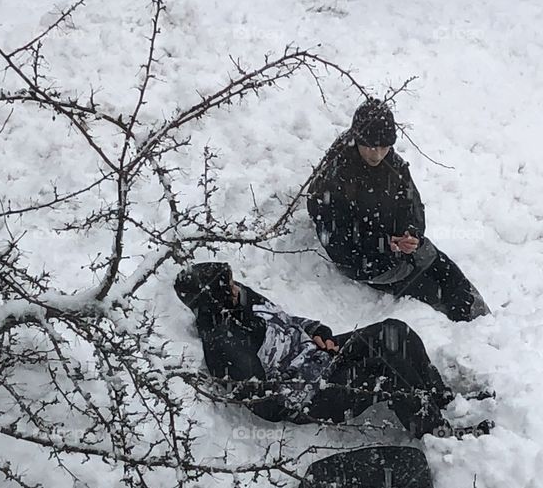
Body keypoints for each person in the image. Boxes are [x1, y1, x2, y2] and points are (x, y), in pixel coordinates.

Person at [173, 262, 493, 439]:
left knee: (394, 333)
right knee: (386, 376)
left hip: (315, 357)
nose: (235, 287)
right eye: (226, 286)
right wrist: (312, 385)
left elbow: (281, 319)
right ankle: (438, 433)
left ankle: (442, 398)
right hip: (312, 394)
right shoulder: (224, 346)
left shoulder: (239, 297)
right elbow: (264, 403)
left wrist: (314, 331)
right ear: (214, 299)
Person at [306, 98, 490, 322]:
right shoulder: (336, 176)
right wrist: (383, 243)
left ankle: (484, 323)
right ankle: (461, 331)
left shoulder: (394, 166)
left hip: (400, 244)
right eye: (371, 147)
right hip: (367, 259)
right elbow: (337, 240)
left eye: (384, 147)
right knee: (431, 291)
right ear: (358, 140)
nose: (377, 154)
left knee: (450, 276)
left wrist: (410, 233)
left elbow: (412, 205)